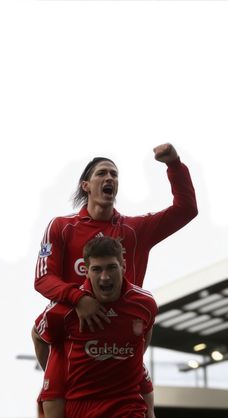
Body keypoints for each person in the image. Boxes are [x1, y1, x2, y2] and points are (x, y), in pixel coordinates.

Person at [33, 143, 198, 417]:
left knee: (143, 401)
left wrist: (175, 165)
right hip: (75, 335)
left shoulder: (134, 230)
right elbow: (43, 279)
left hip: (123, 336)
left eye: (114, 174)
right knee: (37, 337)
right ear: (85, 184)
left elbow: (186, 210)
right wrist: (79, 299)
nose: (110, 178)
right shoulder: (62, 227)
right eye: (102, 173)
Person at [33, 236, 158, 418]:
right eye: (97, 269)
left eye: (111, 268)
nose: (105, 277)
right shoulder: (65, 309)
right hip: (81, 406)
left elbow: (145, 331)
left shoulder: (145, 304)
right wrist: (56, 376)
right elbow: (38, 335)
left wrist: (127, 360)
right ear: (86, 271)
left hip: (127, 406)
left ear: (123, 266)